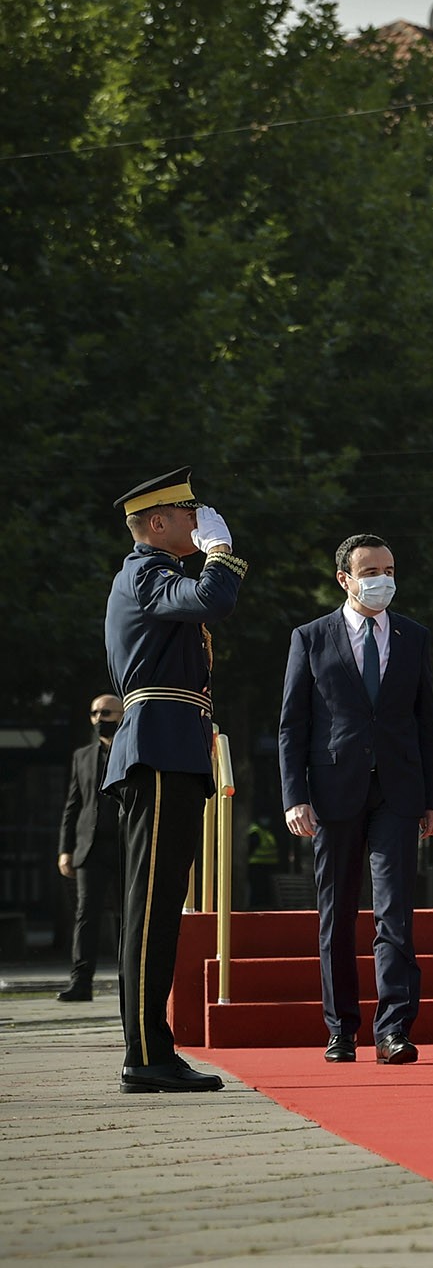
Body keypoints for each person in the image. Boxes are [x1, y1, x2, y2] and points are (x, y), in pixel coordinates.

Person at [279, 533, 433, 1065]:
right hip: (333, 794)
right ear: (345, 579)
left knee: (395, 911)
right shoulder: (310, 638)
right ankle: (341, 1028)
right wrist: (294, 796)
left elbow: (428, 725)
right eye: (371, 570)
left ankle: (393, 1028)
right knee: (336, 913)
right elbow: (292, 726)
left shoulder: (413, 636)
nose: (383, 580)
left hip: (398, 793)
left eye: (390, 569)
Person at [103, 466, 244, 1093]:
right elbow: (213, 600)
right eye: (189, 515)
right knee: (152, 908)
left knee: (161, 907)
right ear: (157, 523)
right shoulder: (145, 573)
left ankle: (151, 1047)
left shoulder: (157, 575)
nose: (199, 522)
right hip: (158, 751)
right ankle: (144, 1052)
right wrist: (219, 554)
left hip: (174, 750)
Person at [56, 695, 124, 1003]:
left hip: (125, 846)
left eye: (106, 712)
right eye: (95, 712)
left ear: (122, 715)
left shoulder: (132, 750)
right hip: (89, 848)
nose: (99, 718)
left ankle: (130, 982)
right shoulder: (82, 756)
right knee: (86, 915)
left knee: (127, 915)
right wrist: (65, 849)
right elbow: (73, 805)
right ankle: (81, 982)